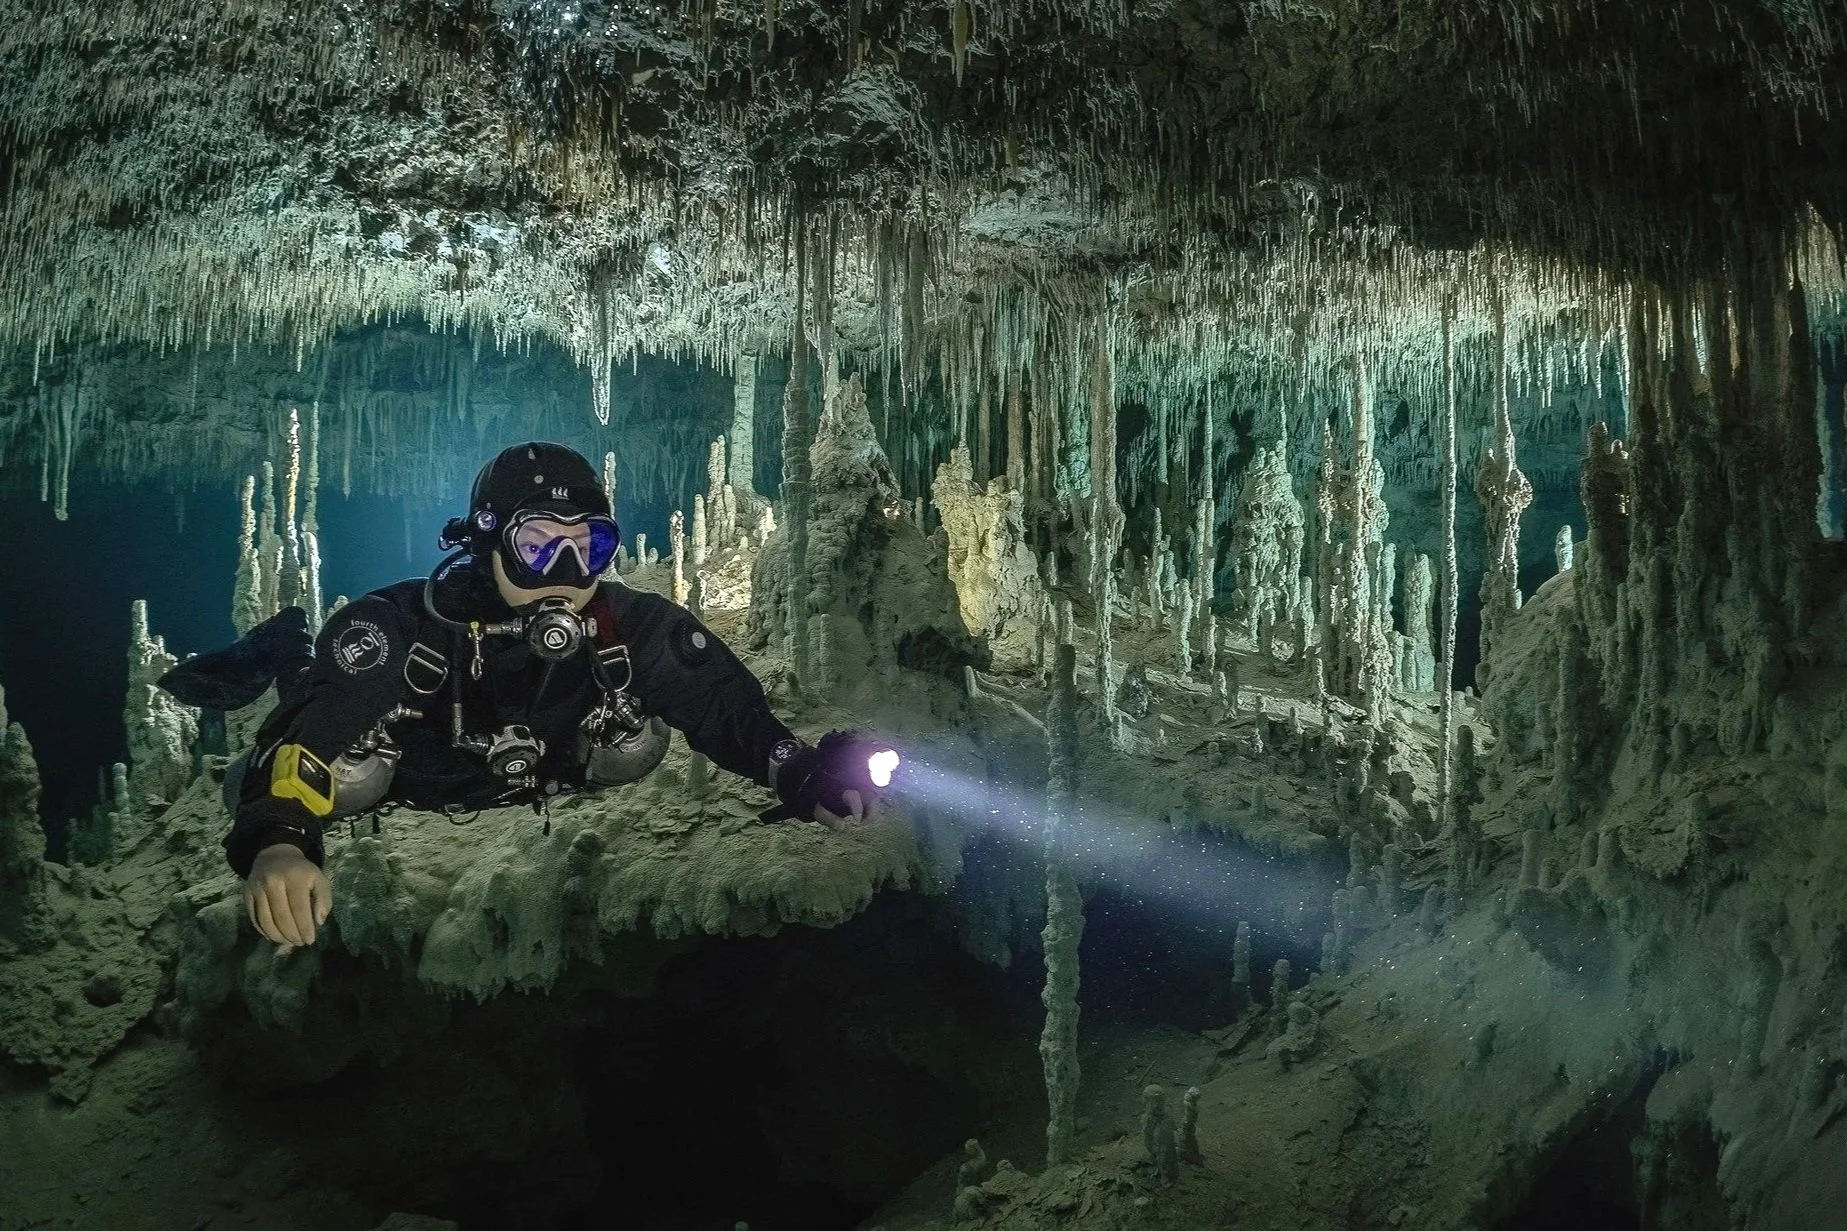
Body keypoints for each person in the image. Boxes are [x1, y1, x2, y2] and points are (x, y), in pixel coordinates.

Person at [166, 442, 888, 952]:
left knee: (640, 739)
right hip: (413, 770)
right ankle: (283, 641)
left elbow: (727, 711)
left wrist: (799, 770)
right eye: (541, 544)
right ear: (488, 544)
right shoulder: (400, 630)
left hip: (543, 770)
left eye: (590, 547)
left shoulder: (628, 629)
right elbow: (306, 740)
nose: (569, 571)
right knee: (334, 768)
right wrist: (279, 840)